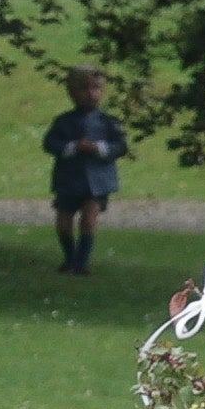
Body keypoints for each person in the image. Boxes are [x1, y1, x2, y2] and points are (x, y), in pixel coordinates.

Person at [44, 64, 129, 274]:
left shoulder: (108, 122)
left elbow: (120, 146)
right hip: (68, 178)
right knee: (64, 222)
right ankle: (69, 257)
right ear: (72, 92)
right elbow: (50, 143)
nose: (91, 94)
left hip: (97, 181)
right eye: (84, 89)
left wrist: (99, 148)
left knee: (89, 219)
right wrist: (73, 147)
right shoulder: (64, 121)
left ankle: (81, 262)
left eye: (96, 88)